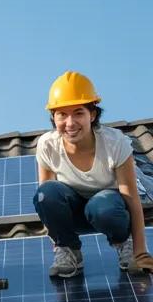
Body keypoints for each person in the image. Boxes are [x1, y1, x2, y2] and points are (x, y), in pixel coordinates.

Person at [34, 71, 153, 278]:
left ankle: (123, 242)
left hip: (110, 212)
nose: (70, 123)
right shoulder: (47, 145)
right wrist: (58, 243)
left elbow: (132, 200)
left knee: (102, 206)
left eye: (78, 113)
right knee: (45, 194)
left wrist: (140, 251)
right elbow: (46, 203)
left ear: (93, 115)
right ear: (53, 117)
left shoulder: (115, 143)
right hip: (73, 214)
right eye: (62, 114)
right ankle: (69, 251)